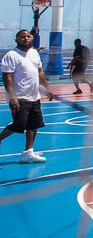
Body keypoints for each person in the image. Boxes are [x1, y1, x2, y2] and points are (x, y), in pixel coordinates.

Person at [0, 29, 53, 163]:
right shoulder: (12, 55)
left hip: (34, 96)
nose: (26, 38)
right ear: (16, 39)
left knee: (34, 124)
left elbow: (40, 72)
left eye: (28, 36)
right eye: (22, 36)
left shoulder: (34, 53)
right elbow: (7, 77)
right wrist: (12, 96)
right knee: (19, 124)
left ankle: (28, 152)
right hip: (19, 97)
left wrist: (47, 88)